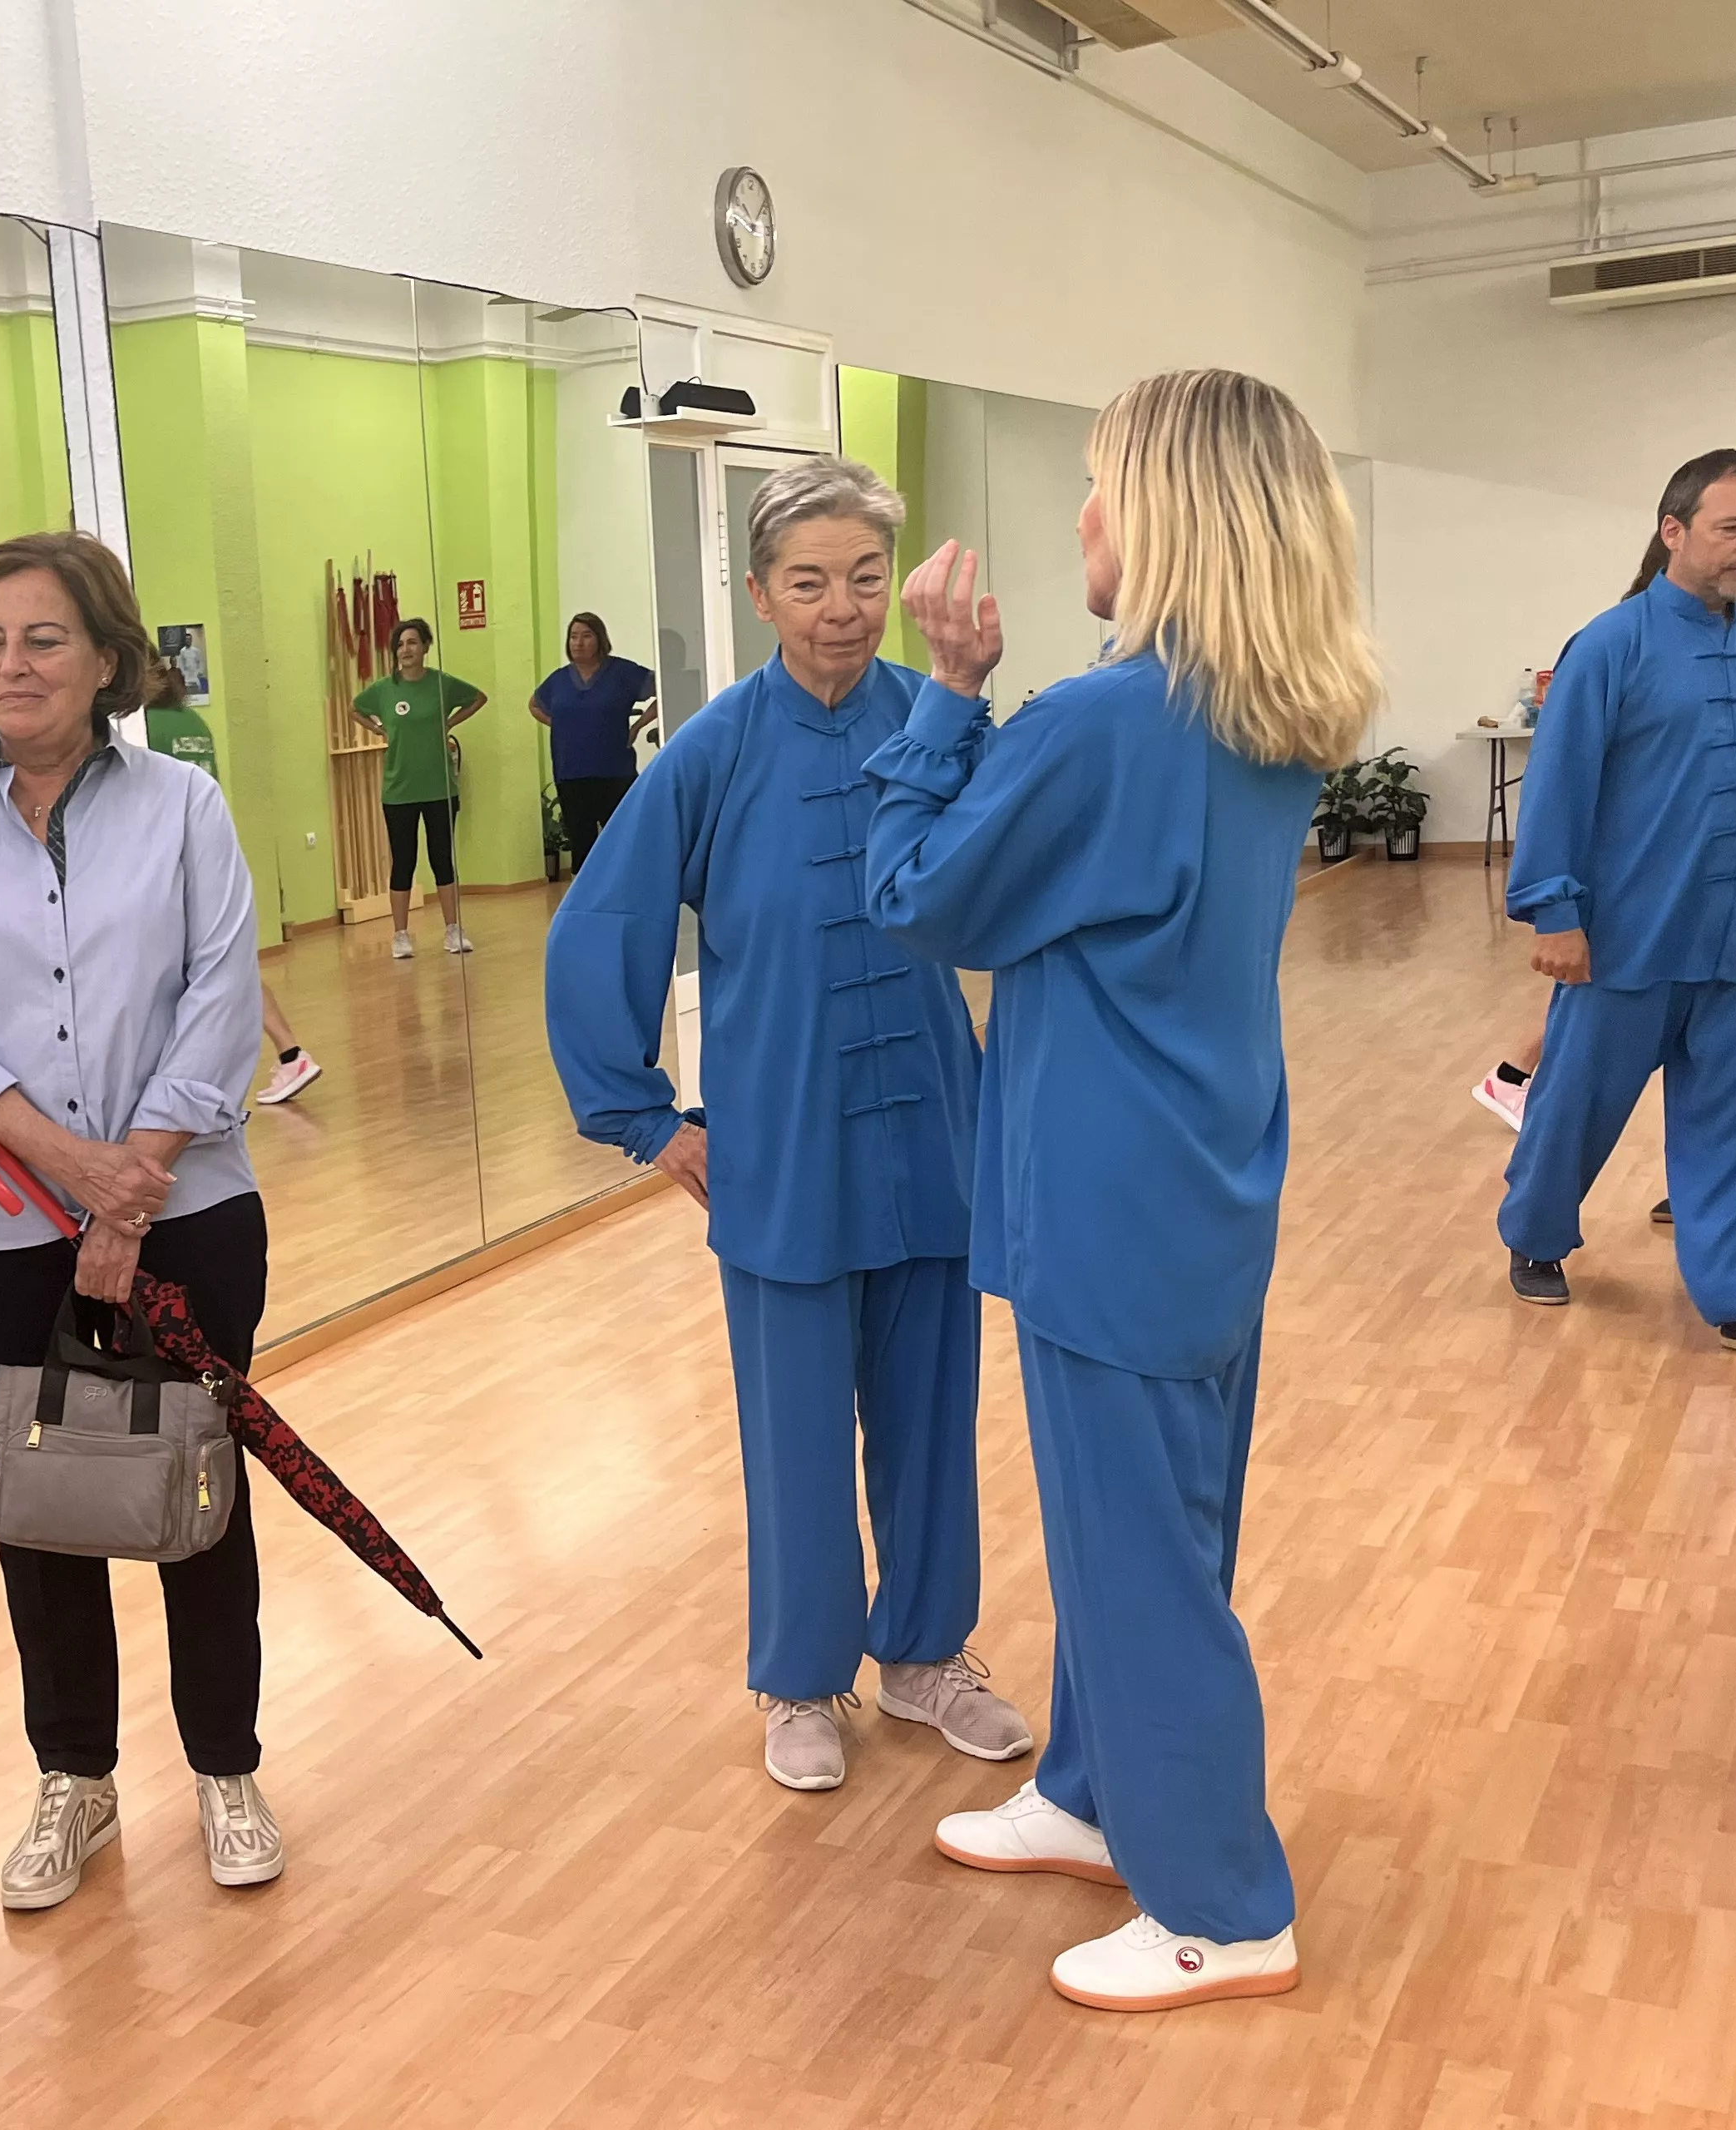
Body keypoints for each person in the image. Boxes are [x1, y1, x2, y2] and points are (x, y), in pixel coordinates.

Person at [864, 368, 1372, 2011]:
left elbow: (915, 893)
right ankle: (1094, 1791)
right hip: (1195, 1170)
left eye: (1097, 481)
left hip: (1109, 1192)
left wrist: (947, 694)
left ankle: (1220, 1899)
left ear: (1162, 516)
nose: (1080, 511)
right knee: (1140, 1530)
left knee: (1140, 1558)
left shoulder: (1105, 722)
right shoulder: (1261, 710)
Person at [546, 455, 1028, 1796]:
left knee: (931, 1413)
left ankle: (925, 1655)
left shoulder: (939, 720)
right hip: (783, 1142)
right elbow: (605, 922)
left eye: (866, 577)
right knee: (796, 1430)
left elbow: (1022, 886)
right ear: (760, 595)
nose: (842, 607)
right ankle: (801, 1677)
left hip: (929, 1126)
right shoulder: (713, 752)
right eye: (810, 582)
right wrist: (648, 1120)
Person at [0, 531, 285, 1912]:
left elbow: (221, 1000)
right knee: (36, 1506)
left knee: (196, 1490)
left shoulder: (183, 808)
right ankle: (74, 1777)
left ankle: (225, 1766)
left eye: (44, 639)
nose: (12, 665)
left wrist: (134, 1180)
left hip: (187, 1207)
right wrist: (70, 1169)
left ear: (107, 658)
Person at [1495, 451, 1736, 1363]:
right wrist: (1553, 912)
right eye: (1733, 527)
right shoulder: (1611, 644)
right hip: (1629, 934)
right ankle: (1535, 1229)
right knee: (1577, 1101)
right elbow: (1559, 782)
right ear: (1672, 530)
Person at [143, 684, 320, 1105]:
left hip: (167, 863)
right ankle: (290, 1054)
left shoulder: (142, 729)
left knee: (208, 972)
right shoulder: (193, 722)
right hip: (207, 856)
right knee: (228, 964)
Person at [354, 619, 485, 958]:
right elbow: (355, 708)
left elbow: (478, 698)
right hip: (399, 790)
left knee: (442, 859)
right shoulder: (384, 689)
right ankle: (400, 935)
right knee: (404, 862)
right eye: (400, 645)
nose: (406, 650)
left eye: (412, 643)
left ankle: (453, 930)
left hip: (440, 788)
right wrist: (380, 730)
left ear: (426, 647)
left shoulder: (442, 684)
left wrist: (449, 722)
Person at [528, 610, 658, 873]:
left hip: (614, 771)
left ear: (600, 639)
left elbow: (666, 690)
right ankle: (584, 895)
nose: (578, 643)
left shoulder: (623, 672)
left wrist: (637, 726)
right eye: (573, 637)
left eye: (586, 636)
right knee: (581, 843)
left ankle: (625, 891)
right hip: (571, 772)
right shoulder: (559, 680)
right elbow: (534, 705)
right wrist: (562, 726)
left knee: (622, 840)